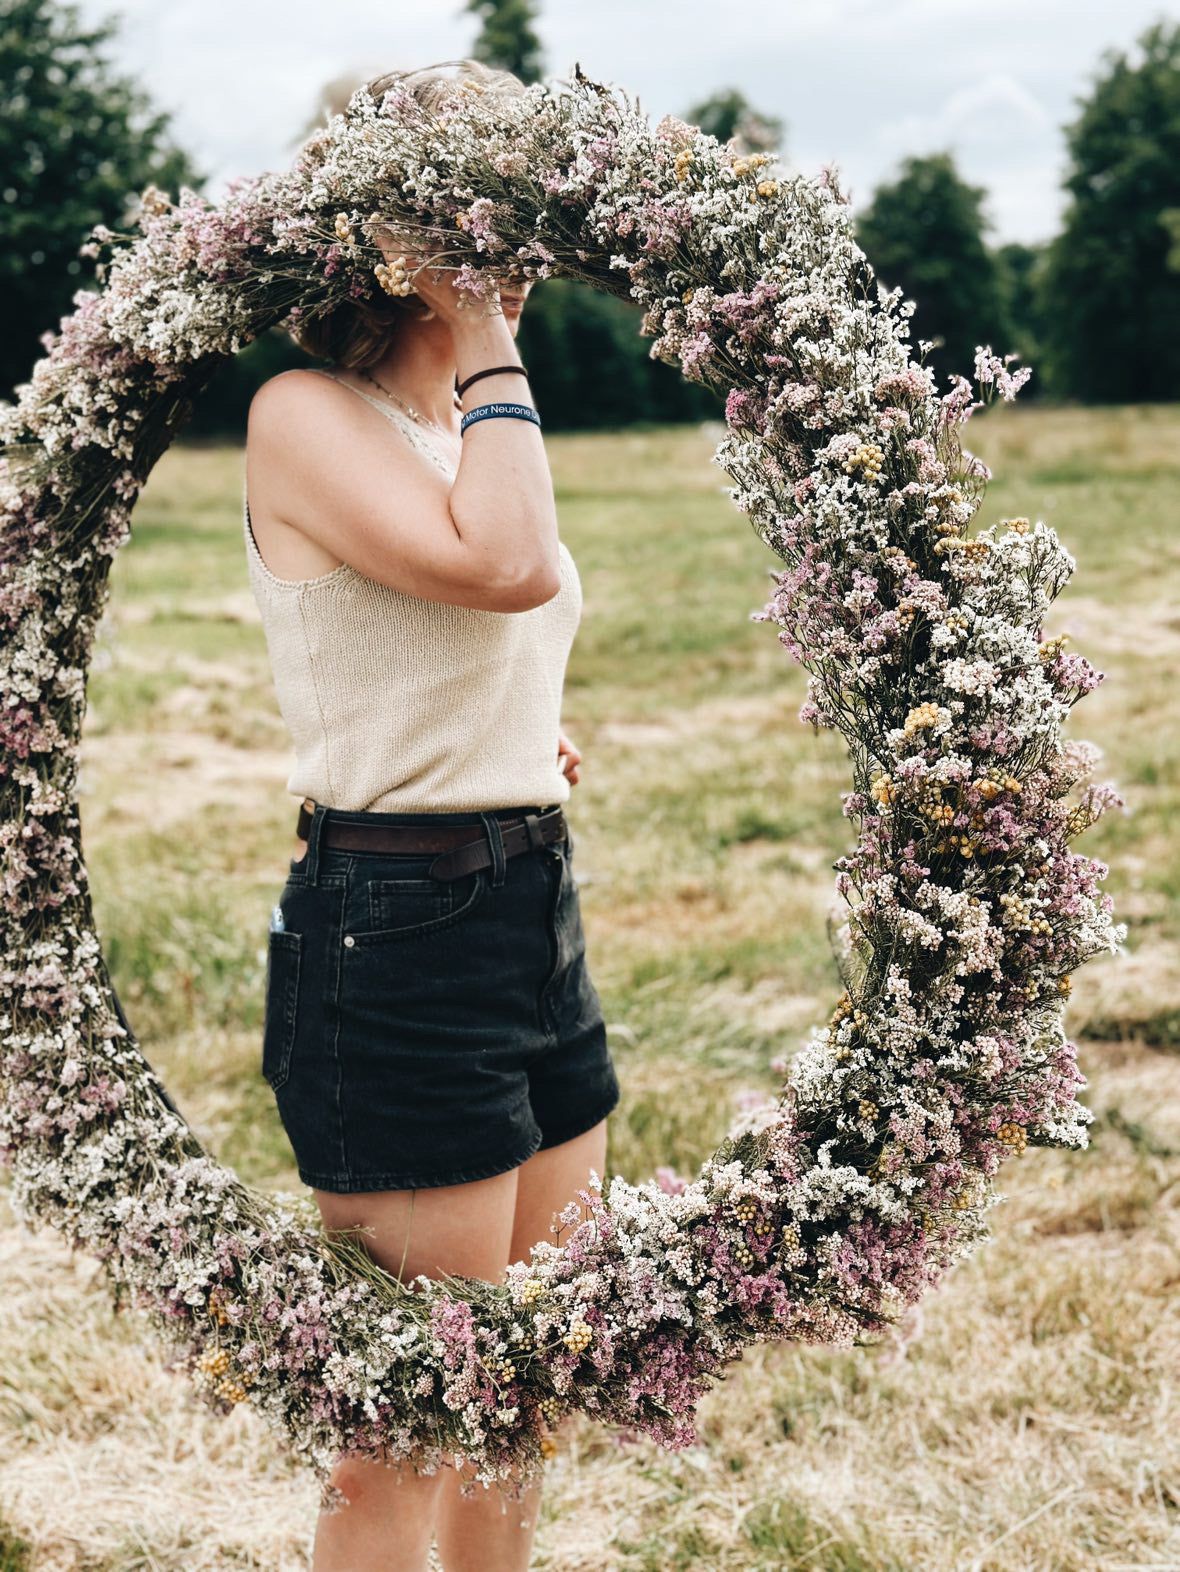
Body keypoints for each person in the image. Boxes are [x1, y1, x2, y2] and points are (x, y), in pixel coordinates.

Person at [242, 59, 621, 1572]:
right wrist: (485, 333)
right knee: (403, 1421)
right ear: (401, 230)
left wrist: (518, 734)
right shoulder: (303, 412)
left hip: (529, 905)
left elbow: (485, 618)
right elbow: (507, 567)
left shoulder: (467, 417)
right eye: (493, 190)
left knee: (527, 1383)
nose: (527, 224)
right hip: (394, 929)